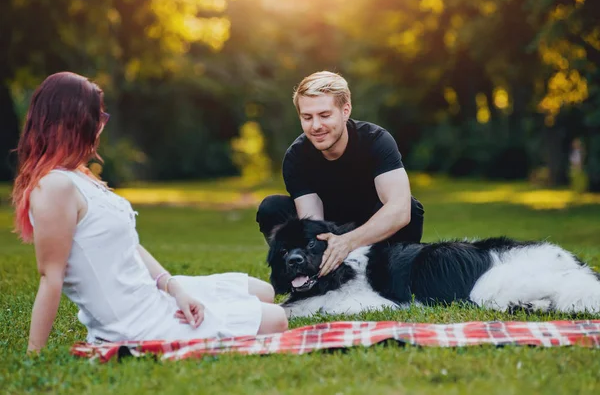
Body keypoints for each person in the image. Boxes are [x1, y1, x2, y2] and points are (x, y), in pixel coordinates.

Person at [13, 72, 287, 353]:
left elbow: (129, 246)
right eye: (99, 117)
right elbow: (50, 276)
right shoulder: (54, 187)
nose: (101, 126)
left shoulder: (79, 177)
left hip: (150, 292)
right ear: (76, 122)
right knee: (277, 319)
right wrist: (35, 353)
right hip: (136, 321)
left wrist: (174, 288)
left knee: (265, 292)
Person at [256, 71, 425, 277]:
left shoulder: (376, 140)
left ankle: (393, 270)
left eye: (325, 115)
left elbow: (400, 210)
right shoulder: (296, 157)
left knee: (410, 207)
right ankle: (299, 271)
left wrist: (348, 242)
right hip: (329, 228)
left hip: (372, 227)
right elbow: (312, 224)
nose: (316, 126)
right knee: (272, 207)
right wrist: (323, 250)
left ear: (345, 111)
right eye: (307, 117)